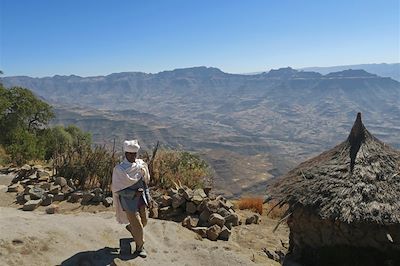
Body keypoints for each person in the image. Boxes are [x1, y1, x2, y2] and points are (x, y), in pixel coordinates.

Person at [111, 139, 151, 258]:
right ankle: (140, 248)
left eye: (135, 154)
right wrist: (133, 194)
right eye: (131, 154)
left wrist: (147, 198)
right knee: (138, 225)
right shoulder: (120, 170)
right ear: (126, 154)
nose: (133, 156)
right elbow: (117, 189)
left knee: (144, 221)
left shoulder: (141, 165)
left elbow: (145, 183)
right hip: (129, 202)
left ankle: (131, 228)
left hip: (141, 200)